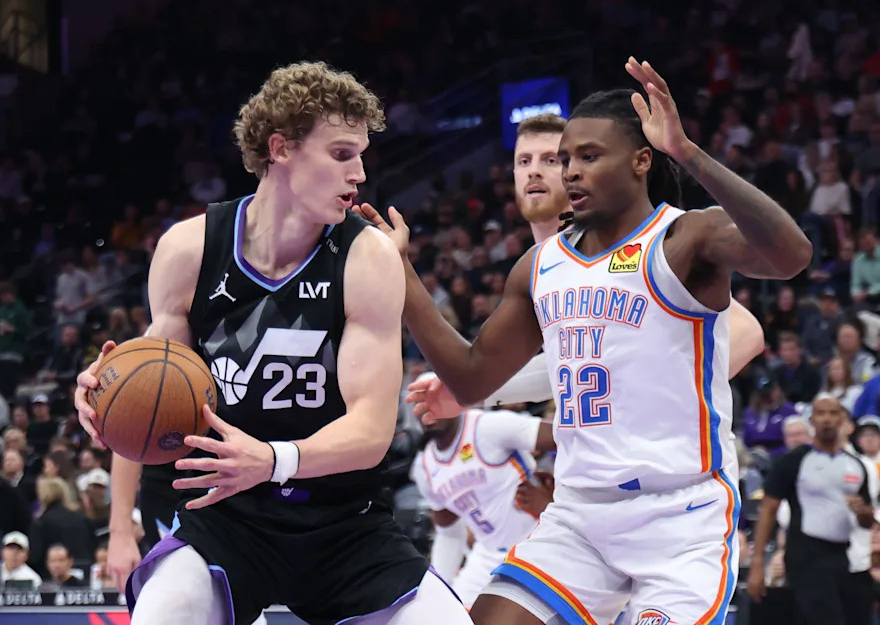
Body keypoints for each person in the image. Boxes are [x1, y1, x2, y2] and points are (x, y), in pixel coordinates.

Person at [357, 58, 811, 624]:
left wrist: (689, 153)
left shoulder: (683, 237)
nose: (570, 171)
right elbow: (472, 377)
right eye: (564, 158)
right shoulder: (539, 265)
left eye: (588, 157)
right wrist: (404, 275)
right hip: (580, 516)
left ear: (643, 160)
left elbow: (792, 256)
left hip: (680, 514)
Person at [74, 62, 472, 625]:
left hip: (344, 521)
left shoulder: (368, 255)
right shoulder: (189, 249)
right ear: (281, 148)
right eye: (340, 154)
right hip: (227, 519)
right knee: (163, 615)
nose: (359, 173)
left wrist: (272, 460)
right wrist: (99, 393)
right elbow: (147, 387)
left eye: (362, 155)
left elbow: (372, 430)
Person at [419, 111, 763, 413]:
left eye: (550, 160)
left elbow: (747, 333)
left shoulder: (625, 237)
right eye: (524, 161)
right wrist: (477, 393)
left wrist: (654, 399)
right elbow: (572, 365)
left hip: (679, 458)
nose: (533, 172)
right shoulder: (538, 264)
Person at [408, 372, 553, 607]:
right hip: (489, 555)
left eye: (433, 398)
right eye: (418, 402)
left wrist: (558, 496)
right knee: (448, 615)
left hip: (539, 541)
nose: (427, 408)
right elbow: (448, 534)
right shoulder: (424, 468)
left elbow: (567, 438)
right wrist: (439, 588)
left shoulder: (489, 427)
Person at [747, 395, 875, 625]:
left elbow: (866, 521)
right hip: (804, 557)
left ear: (843, 420)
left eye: (833, 413)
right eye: (821, 413)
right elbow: (768, 510)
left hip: (842, 557)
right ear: (812, 420)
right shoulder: (793, 461)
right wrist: (758, 563)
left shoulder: (855, 466)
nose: (827, 419)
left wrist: (863, 512)